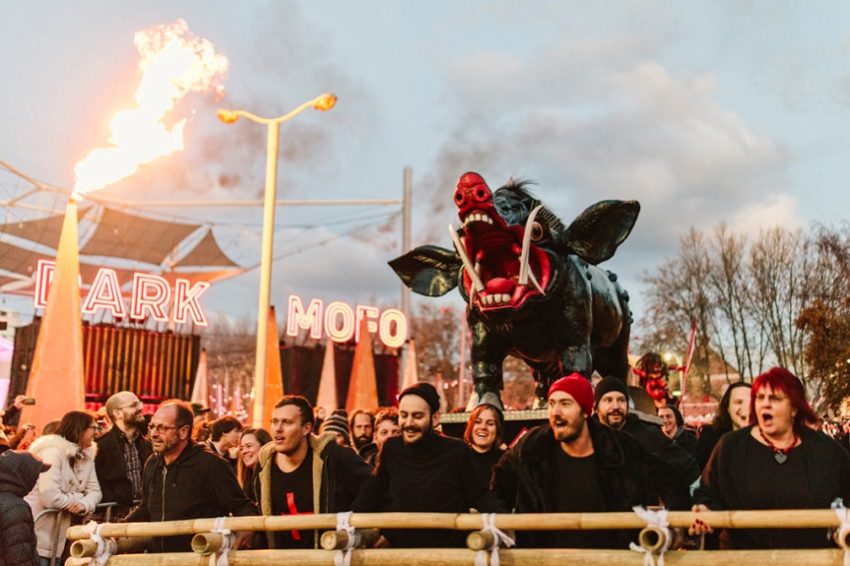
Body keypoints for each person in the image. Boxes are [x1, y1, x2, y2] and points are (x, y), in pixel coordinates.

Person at [492, 374, 664, 548]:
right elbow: (497, 487)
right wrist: (500, 526)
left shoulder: (623, 448)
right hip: (544, 559)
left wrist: (674, 526)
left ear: (585, 411)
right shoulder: (531, 447)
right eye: (552, 404)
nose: (556, 412)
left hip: (609, 559)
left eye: (565, 404)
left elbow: (671, 480)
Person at [691, 367, 850, 549]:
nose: (765, 404)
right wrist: (704, 509)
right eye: (760, 398)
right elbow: (707, 494)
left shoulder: (823, 448)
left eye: (775, 399)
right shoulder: (730, 446)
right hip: (742, 558)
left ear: (794, 408)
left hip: (807, 557)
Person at [352, 382, 505, 548]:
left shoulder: (456, 451)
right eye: (404, 415)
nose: (409, 423)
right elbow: (371, 492)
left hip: (449, 554)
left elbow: (480, 495)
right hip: (403, 552)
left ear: (435, 418)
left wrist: (508, 522)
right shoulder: (391, 448)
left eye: (417, 416)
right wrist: (347, 521)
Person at [125, 400, 258, 553]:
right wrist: (119, 528)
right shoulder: (152, 463)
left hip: (197, 558)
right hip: (159, 559)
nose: (154, 434)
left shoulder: (211, 464)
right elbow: (147, 507)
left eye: (162, 428)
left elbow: (242, 506)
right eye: (152, 427)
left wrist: (247, 530)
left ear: (183, 432)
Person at [254, 396, 371, 549]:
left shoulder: (333, 457)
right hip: (281, 559)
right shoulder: (265, 465)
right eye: (275, 422)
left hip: (327, 558)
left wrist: (356, 529)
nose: (278, 429)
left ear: (306, 428)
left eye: (287, 422)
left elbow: (375, 487)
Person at [594, 376, 699, 503]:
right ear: (596, 406)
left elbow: (689, 470)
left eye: (621, 400)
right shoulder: (589, 436)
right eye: (608, 400)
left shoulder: (648, 436)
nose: (615, 406)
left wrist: (671, 513)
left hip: (641, 519)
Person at [25, 411, 102, 566]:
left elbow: (95, 491)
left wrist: (84, 505)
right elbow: (50, 497)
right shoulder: (52, 452)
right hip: (39, 533)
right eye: (94, 427)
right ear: (80, 429)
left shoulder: (87, 455)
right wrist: (79, 498)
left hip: (61, 536)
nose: (97, 431)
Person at [94, 392, 151, 522]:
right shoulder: (100, 446)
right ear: (118, 413)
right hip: (111, 516)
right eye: (133, 405)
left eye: (139, 403)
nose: (140, 408)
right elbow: (92, 484)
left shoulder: (148, 445)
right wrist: (120, 496)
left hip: (142, 517)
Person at [0, 450, 51, 566]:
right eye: (35, 475)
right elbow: (18, 557)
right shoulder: (15, 508)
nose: (36, 479)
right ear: (23, 475)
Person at [695, 381, 751, 470]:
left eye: (750, 402)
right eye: (738, 402)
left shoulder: (766, 439)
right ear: (727, 407)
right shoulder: (711, 438)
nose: (745, 407)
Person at [463, 403, 504, 492]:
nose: (483, 427)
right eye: (477, 422)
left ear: (498, 429)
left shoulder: (505, 461)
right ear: (470, 426)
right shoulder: (458, 457)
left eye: (490, 423)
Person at [237, 427, 272, 503]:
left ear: (263, 447)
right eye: (241, 448)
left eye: (249, 446)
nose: (244, 451)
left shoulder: (271, 476)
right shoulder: (247, 477)